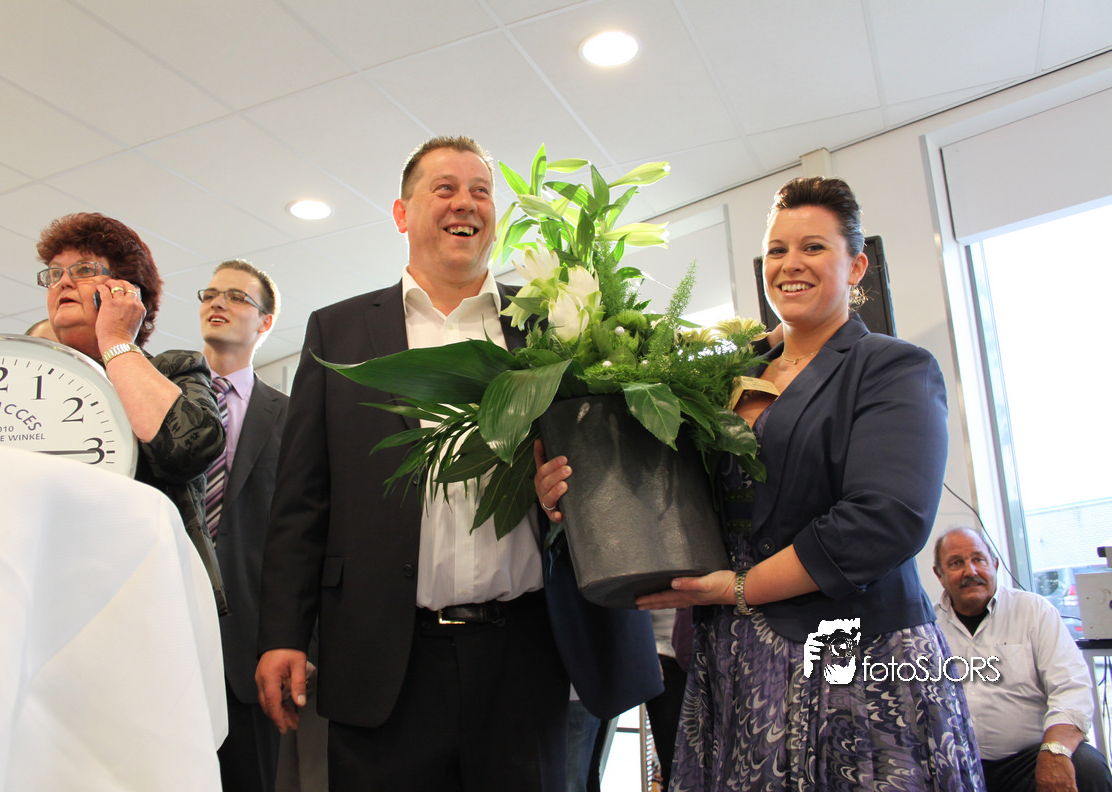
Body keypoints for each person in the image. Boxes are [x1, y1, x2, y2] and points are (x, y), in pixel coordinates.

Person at [537, 176, 983, 790]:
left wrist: (741, 588)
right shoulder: (728, 376)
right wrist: (574, 492)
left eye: (813, 247)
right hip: (733, 660)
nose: (790, 263)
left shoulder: (891, 366)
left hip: (849, 661)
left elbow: (886, 520)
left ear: (856, 266)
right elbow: (670, 497)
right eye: (777, 250)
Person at [254, 135, 661, 792]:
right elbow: (302, 501)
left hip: (525, 654)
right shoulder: (339, 332)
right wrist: (283, 634)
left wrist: (566, 492)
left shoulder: (553, 323)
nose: (465, 203)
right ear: (401, 212)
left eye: (481, 191)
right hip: (384, 655)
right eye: (444, 188)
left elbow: (611, 468)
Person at [36, 212, 226, 612]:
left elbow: (187, 451)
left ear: (126, 291)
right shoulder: (30, 380)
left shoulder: (175, 369)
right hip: (43, 585)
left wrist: (115, 338)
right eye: (54, 274)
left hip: (142, 592)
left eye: (83, 270)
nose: (63, 282)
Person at [198, 260, 290, 791]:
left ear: (265, 322)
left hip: (250, 650)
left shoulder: (293, 417)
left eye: (236, 296)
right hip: (166, 630)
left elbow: (307, 536)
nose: (218, 302)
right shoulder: (159, 396)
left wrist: (299, 641)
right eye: (210, 293)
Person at [934, 525, 1112, 792]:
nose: (970, 571)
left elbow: (1071, 688)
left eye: (978, 559)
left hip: (1029, 759)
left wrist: (1055, 751)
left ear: (994, 564)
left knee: (1087, 767)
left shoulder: (1034, 611)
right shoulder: (927, 628)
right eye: (956, 563)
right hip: (956, 765)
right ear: (939, 574)